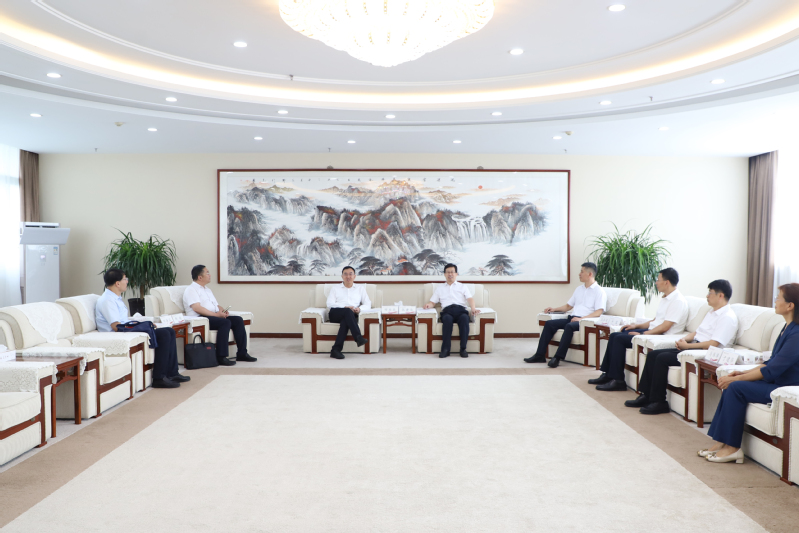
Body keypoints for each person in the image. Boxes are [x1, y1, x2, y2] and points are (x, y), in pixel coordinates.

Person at [700, 283, 799, 464]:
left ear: (790, 305)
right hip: (774, 381)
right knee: (731, 384)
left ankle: (732, 448)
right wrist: (740, 372)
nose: (775, 301)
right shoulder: (787, 328)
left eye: (778, 298)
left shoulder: (797, 334)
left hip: (782, 387)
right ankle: (722, 441)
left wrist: (738, 378)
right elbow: (770, 362)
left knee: (735, 387)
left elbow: (772, 370)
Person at [628, 279, 738, 414]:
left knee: (662, 358)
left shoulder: (727, 317)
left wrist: (687, 347)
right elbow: (697, 333)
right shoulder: (712, 312)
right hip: (693, 346)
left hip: (705, 353)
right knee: (653, 355)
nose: (707, 296)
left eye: (710, 293)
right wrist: (684, 340)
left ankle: (659, 402)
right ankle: (646, 395)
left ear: (720, 295)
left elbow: (713, 344)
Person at [591, 267, 689, 391]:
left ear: (667, 282)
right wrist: (636, 326)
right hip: (655, 331)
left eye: (658, 280)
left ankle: (618, 380)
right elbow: (655, 321)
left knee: (619, 339)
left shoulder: (677, 301)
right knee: (617, 334)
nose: (656, 283)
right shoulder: (666, 298)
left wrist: (643, 335)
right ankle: (608, 374)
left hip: (662, 336)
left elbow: (665, 326)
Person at [96, 268, 188, 389]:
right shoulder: (107, 300)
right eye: (125, 279)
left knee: (169, 331)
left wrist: (144, 323)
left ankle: (172, 373)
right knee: (164, 334)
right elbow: (116, 326)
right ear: (117, 283)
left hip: (125, 329)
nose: (127, 281)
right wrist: (142, 327)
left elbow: (124, 321)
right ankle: (159, 378)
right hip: (117, 333)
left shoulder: (115, 298)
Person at [524, 262, 607, 367]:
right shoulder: (579, 289)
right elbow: (568, 306)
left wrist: (581, 319)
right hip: (572, 318)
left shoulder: (599, 291)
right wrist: (553, 309)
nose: (579, 274)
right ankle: (540, 355)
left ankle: (557, 357)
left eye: (582, 272)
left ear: (590, 274)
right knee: (549, 324)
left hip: (585, 322)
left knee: (569, 326)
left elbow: (599, 312)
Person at [183, 265, 256, 366]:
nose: (210, 275)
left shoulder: (207, 290)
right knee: (225, 323)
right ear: (200, 277)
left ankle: (242, 353)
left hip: (213, 316)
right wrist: (216, 315)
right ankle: (221, 356)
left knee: (238, 320)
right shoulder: (191, 289)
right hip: (200, 318)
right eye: (207, 273)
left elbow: (216, 305)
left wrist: (222, 311)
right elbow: (197, 308)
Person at [423, 263, 481, 358]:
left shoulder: (462, 286)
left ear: (456, 274)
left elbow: (470, 299)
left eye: (452, 272)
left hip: (461, 310)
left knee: (464, 319)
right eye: (448, 272)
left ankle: (463, 349)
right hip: (447, 311)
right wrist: (428, 305)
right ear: (444, 274)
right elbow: (433, 302)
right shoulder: (440, 288)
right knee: (447, 320)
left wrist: (473, 308)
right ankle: (445, 350)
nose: (450, 274)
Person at [326, 266, 371, 360]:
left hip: (351, 315)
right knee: (347, 311)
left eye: (350, 274)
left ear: (354, 276)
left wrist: (359, 309)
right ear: (342, 276)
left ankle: (335, 350)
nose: (348, 276)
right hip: (336, 313)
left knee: (345, 321)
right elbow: (329, 304)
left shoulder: (360, 288)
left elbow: (368, 303)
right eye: (345, 274)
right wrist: (344, 307)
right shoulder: (335, 288)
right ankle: (358, 337)